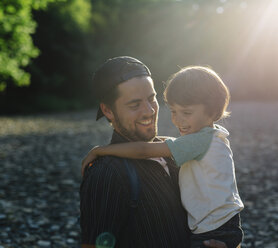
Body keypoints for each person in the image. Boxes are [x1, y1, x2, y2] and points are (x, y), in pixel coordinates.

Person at [82, 65, 244, 248]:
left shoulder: (177, 153)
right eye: (135, 105)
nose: (149, 111)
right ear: (108, 111)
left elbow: (146, 149)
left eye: (152, 99)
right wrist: (101, 152)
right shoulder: (107, 172)